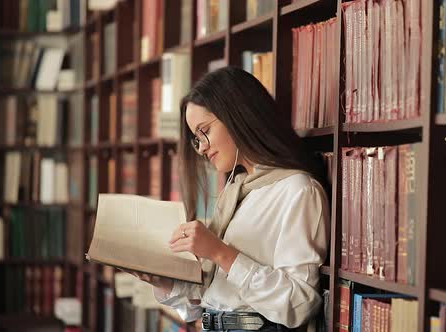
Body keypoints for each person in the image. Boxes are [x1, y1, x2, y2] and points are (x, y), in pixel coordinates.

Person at [135, 66, 330, 331]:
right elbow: (209, 301)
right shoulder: (236, 193)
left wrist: (219, 252)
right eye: (196, 138)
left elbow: (299, 304)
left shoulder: (297, 190)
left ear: (238, 116)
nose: (202, 147)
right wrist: (162, 280)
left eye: (204, 130)